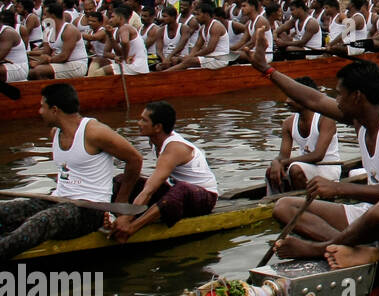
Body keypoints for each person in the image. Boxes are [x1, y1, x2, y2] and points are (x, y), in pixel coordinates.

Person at [244, 49, 379, 285]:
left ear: (357, 96)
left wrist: (339, 189)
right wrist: (267, 70)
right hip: (372, 214)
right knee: (284, 207)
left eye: (340, 94)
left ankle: (321, 248)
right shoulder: (362, 119)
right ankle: (355, 250)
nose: (336, 100)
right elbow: (313, 99)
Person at [0, 83, 143, 260]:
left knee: (42, 221)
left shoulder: (94, 132)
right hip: (58, 200)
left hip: (91, 210)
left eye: (42, 107)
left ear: (54, 110)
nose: (39, 112)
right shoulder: (55, 133)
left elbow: (135, 159)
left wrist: (121, 199)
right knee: (6, 211)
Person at [105, 101, 221, 242]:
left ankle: (131, 228)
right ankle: (114, 221)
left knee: (180, 188)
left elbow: (149, 190)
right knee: (121, 179)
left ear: (158, 127)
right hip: (176, 192)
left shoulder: (174, 148)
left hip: (203, 199)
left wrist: (130, 218)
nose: (139, 123)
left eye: (144, 120)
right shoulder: (155, 141)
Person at [267, 77, 342, 193]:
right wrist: (276, 162)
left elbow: (318, 155)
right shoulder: (288, 123)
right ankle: (275, 201)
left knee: (295, 169)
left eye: (292, 97)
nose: (287, 101)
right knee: (271, 171)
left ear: (305, 97)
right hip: (307, 167)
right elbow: (283, 156)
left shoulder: (325, 119)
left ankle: (304, 201)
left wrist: (283, 163)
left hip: (328, 168)